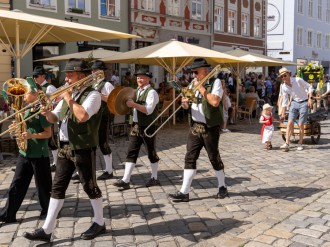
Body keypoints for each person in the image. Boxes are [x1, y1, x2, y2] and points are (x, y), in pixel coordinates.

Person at [23, 58, 105, 242]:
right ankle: (47, 229)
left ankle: (99, 222)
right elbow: (55, 118)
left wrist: (68, 98)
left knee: (89, 186)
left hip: (83, 147)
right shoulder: (69, 93)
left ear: (82, 76)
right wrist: (46, 113)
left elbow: (82, 116)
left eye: (70, 75)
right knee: (57, 187)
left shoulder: (93, 95)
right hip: (64, 147)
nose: (66, 79)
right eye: (66, 75)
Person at [168, 58, 228, 202]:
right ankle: (184, 192)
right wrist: (184, 103)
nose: (193, 75)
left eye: (196, 72)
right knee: (189, 158)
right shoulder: (192, 84)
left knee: (213, 157)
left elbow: (214, 101)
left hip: (210, 127)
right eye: (192, 72)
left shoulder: (215, 83)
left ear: (205, 71)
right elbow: (186, 105)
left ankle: (222, 186)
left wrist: (200, 87)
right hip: (195, 126)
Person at [0, 79, 52, 223]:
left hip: (39, 153)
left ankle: (48, 211)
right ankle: (8, 213)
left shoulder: (42, 110)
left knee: (43, 186)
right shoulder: (27, 108)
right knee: (17, 184)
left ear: (35, 94)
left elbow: (48, 133)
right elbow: (24, 125)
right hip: (25, 152)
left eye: (26, 93)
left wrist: (31, 135)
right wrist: (16, 127)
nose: (23, 96)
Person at [113, 69, 160, 189]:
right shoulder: (135, 91)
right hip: (135, 125)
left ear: (148, 79)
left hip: (148, 125)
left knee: (151, 151)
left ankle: (154, 177)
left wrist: (133, 104)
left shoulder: (151, 92)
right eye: (138, 77)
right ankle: (126, 179)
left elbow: (148, 110)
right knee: (131, 151)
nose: (139, 79)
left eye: (142, 77)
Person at [279, 67, 313, 151]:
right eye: (281, 76)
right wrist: (283, 113)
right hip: (294, 102)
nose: (283, 77)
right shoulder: (283, 87)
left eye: (284, 75)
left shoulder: (298, 80)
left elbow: (309, 87)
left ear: (288, 74)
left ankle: (300, 143)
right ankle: (287, 143)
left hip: (304, 102)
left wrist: (310, 98)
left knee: (301, 124)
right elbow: (285, 101)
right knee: (290, 122)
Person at [32, 66, 59, 172]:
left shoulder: (50, 87)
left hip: (47, 115)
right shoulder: (35, 87)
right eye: (33, 76)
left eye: (36, 76)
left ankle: (55, 163)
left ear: (43, 76)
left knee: (51, 140)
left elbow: (56, 101)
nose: (34, 78)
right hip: (38, 116)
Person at [92, 60, 115, 180]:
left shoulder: (107, 85)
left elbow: (112, 101)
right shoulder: (93, 84)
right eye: (93, 70)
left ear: (102, 72)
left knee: (103, 143)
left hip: (104, 116)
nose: (93, 72)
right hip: (94, 117)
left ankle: (109, 170)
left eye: (96, 70)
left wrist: (98, 95)